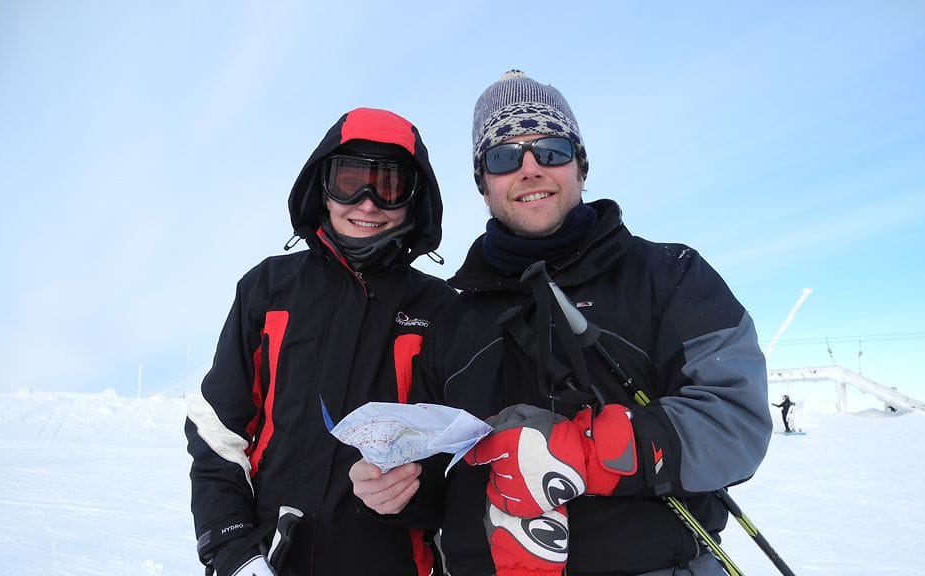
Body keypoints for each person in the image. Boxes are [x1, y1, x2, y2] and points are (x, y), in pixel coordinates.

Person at [352, 71, 772, 576]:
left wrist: (586, 453)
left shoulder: (670, 274)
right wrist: (398, 488)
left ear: (580, 165)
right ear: (483, 184)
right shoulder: (451, 316)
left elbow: (735, 421)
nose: (530, 169)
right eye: (504, 157)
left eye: (550, 150)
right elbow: (441, 473)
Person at [185, 107, 453, 576]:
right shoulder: (267, 289)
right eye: (350, 181)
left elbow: (463, 459)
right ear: (322, 188)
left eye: (389, 186)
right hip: (264, 561)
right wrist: (231, 548)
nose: (368, 203)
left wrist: (413, 494)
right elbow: (217, 430)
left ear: (414, 200)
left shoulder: (442, 310)